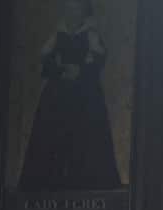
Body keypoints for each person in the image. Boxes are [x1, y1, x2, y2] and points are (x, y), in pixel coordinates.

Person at [17, 0, 121, 191]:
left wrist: (81, 71)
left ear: (84, 12)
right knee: (51, 135)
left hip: (85, 97)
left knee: (87, 138)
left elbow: (98, 60)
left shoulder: (91, 35)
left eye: (77, 9)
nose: (73, 14)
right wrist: (60, 70)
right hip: (57, 97)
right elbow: (45, 62)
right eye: (70, 9)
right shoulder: (58, 35)